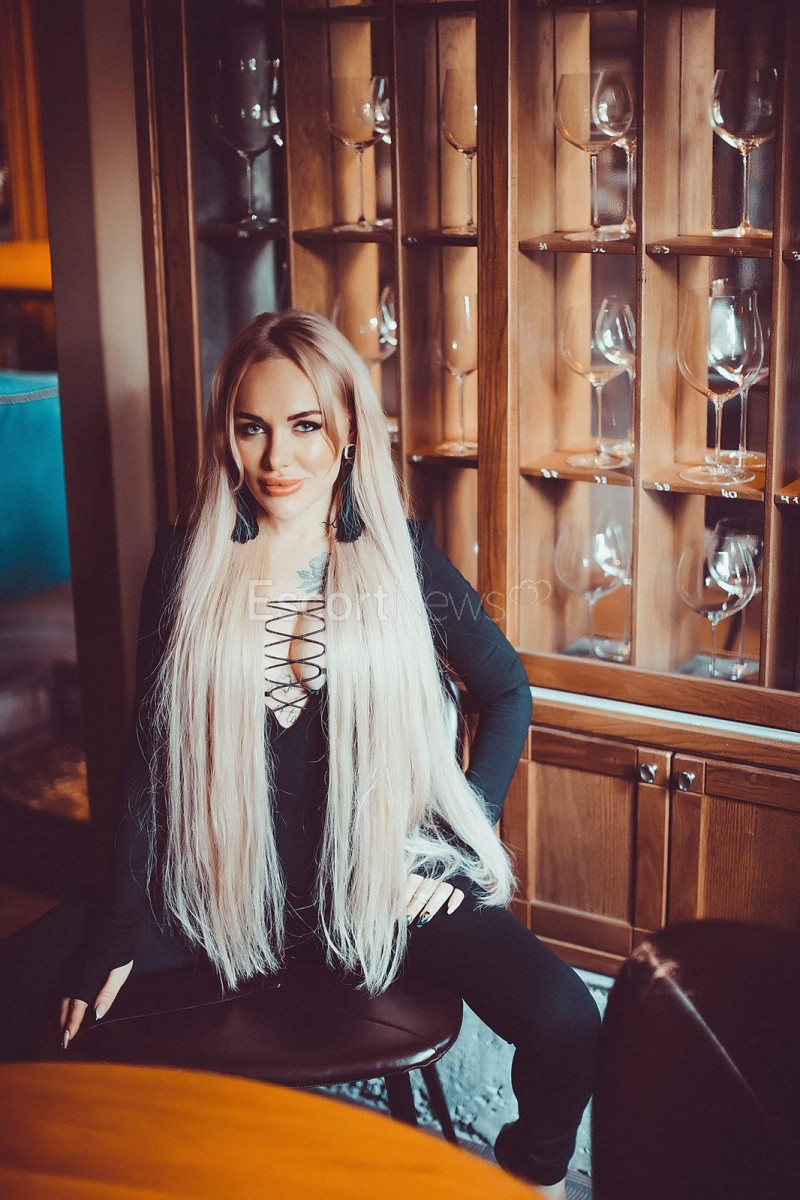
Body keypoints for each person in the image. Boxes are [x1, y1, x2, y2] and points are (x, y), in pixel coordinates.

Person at [0, 310, 600, 1198]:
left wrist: (452, 850)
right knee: (16, 986)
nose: (276, 457)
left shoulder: (403, 560)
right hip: (215, 893)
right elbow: (147, 759)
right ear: (228, 434)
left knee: (568, 1019)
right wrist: (116, 930)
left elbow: (507, 692)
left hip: (369, 893)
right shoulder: (185, 562)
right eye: (253, 427)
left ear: (348, 430)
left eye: (305, 425)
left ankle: (528, 1181)